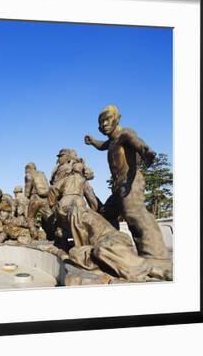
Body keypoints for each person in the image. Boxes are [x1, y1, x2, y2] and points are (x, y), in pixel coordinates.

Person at [50, 160, 170, 282]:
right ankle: (147, 271)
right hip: (110, 240)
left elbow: (82, 242)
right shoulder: (80, 193)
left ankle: (147, 271)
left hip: (113, 239)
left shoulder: (78, 214)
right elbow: (92, 201)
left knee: (91, 251)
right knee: (87, 252)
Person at [84, 105, 171, 271]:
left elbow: (137, 142)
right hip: (118, 188)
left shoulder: (125, 134)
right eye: (100, 122)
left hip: (131, 181)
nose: (103, 124)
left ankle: (157, 258)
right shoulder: (112, 142)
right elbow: (103, 145)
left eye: (107, 119)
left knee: (134, 214)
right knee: (105, 214)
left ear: (118, 118)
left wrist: (146, 152)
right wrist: (93, 141)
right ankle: (117, 248)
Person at [24, 162, 51, 240]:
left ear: (28, 168)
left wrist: (27, 196)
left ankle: (34, 235)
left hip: (35, 198)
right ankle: (54, 235)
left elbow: (27, 190)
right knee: (50, 217)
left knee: (30, 217)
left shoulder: (29, 175)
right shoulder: (41, 174)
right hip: (45, 198)